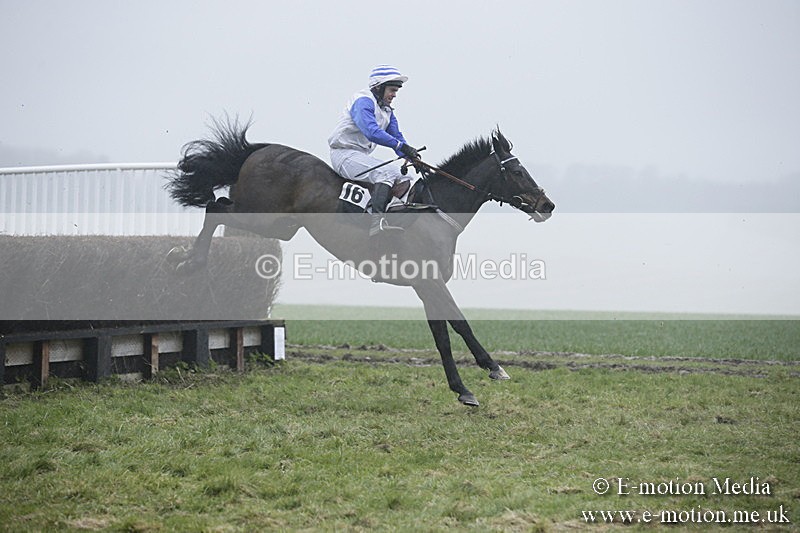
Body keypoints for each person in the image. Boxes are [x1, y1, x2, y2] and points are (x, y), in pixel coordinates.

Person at [328, 65, 421, 236]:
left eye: (396, 91)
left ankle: (391, 213)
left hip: (359, 156)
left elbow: (397, 136)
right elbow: (371, 131)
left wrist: (412, 156)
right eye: (392, 90)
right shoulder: (363, 101)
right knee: (386, 173)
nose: (394, 95)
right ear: (378, 87)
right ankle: (376, 222)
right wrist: (401, 147)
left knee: (405, 176)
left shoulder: (387, 110)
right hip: (343, 155)